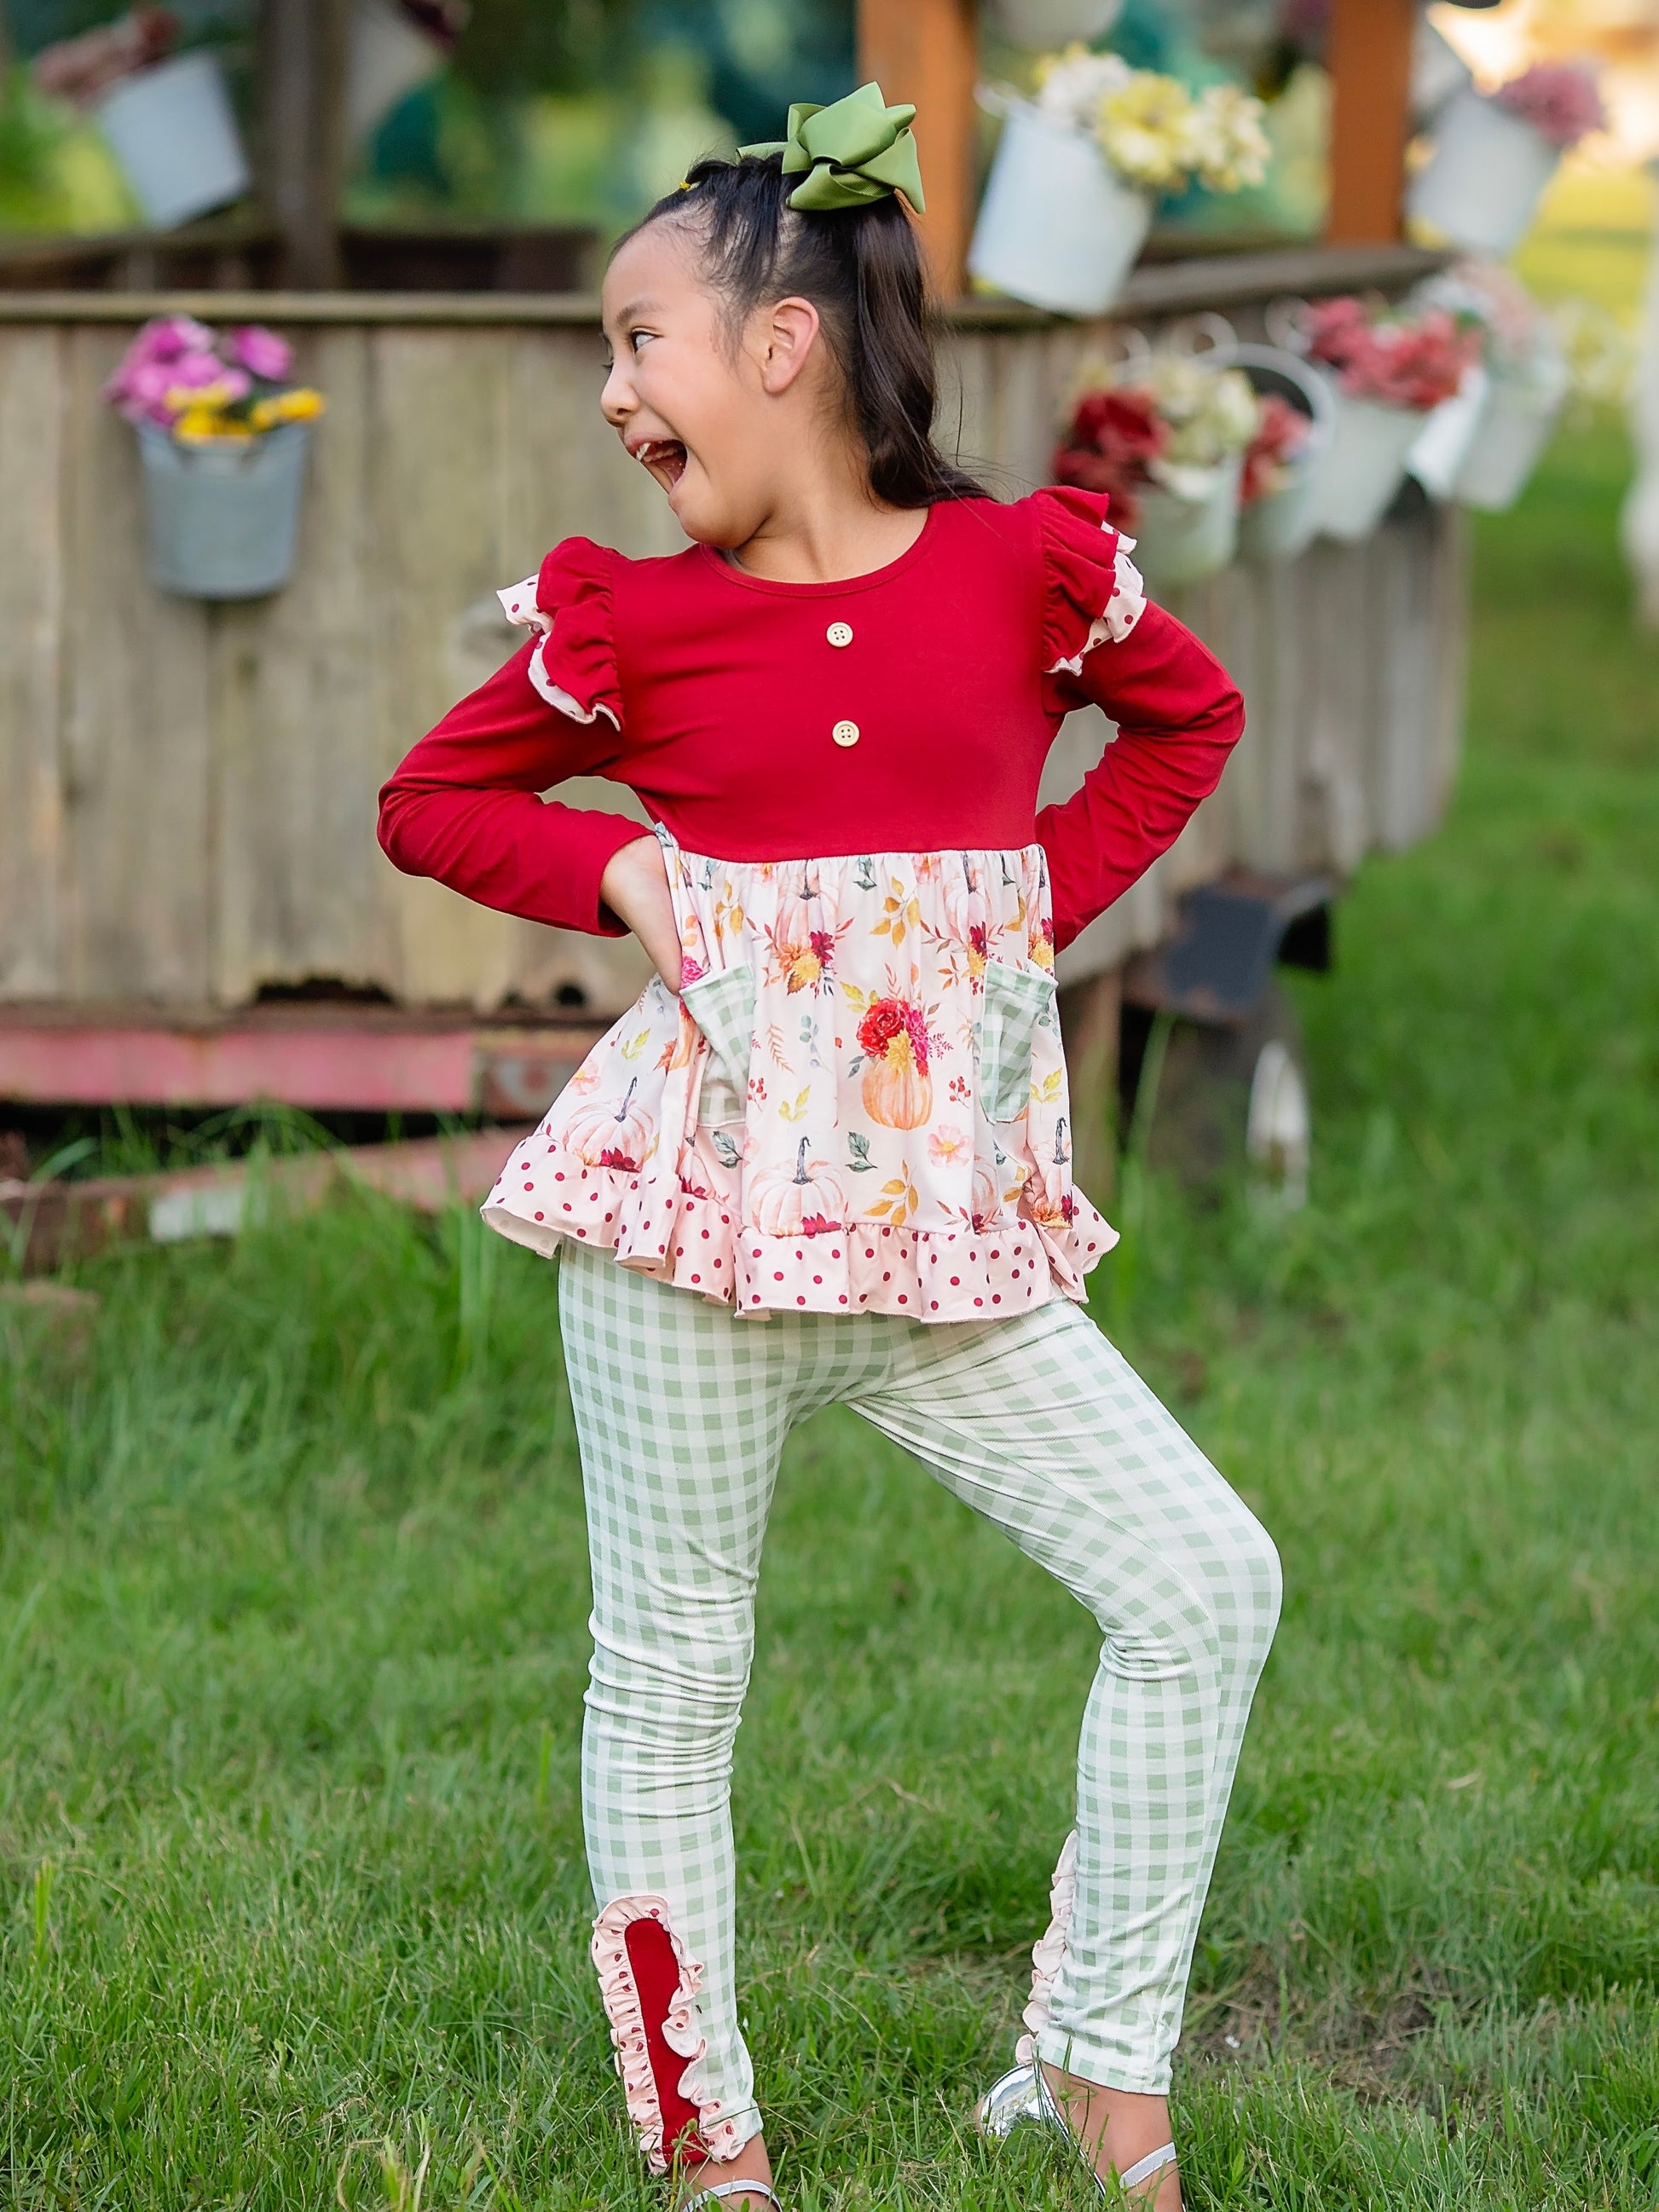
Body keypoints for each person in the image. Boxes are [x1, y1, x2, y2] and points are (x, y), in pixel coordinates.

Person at [378, 84, 1281, 2212]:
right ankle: (708, 2143)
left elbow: (1192, 716)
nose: (614, 393)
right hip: (691, 1232)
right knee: (673, 1674)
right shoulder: (632, 620)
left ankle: (1095, 2064)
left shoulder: (1013, 576)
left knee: (1201, 1579)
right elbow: (434, 800)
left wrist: (1032, 896)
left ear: (781, 345)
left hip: (946, 1248)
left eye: (639, 341)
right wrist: (608, 873)